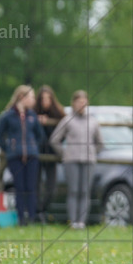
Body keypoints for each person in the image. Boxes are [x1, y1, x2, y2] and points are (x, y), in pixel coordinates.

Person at [50, 90, 103, 229]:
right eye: (79, 101)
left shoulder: (93, 121)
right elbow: (55, 139)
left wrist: (92, 152)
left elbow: (100, 143)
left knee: (85, 191)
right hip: (71, 161)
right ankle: (73, 221)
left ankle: (82, 221)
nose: (81, 104)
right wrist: (65, 153)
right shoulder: (67, 120)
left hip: (88, 161)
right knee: (74, 190)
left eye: (84, 101)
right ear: (73, 103)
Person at [0, 84, 44, 226]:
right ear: (22, 97)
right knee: (19, 187)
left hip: (31, 156)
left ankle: (32, 217)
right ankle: (21, 218)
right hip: (15, 157)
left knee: (31, 187)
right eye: (31, 97)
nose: (34, 100)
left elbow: (40, 136)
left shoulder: (32, 116)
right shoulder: (8, 116)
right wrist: (9, 148)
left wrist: (33, 147)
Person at [34, 85, 66, 222]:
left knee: (51, 188)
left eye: (48, 98)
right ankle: (37, 214)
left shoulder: (58, 114)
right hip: (37, 154)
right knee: (36, 185)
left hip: (52, 155)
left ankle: (42, 210)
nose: (46, 101)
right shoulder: (33, 114)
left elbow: (63, 133)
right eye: (43, 99)